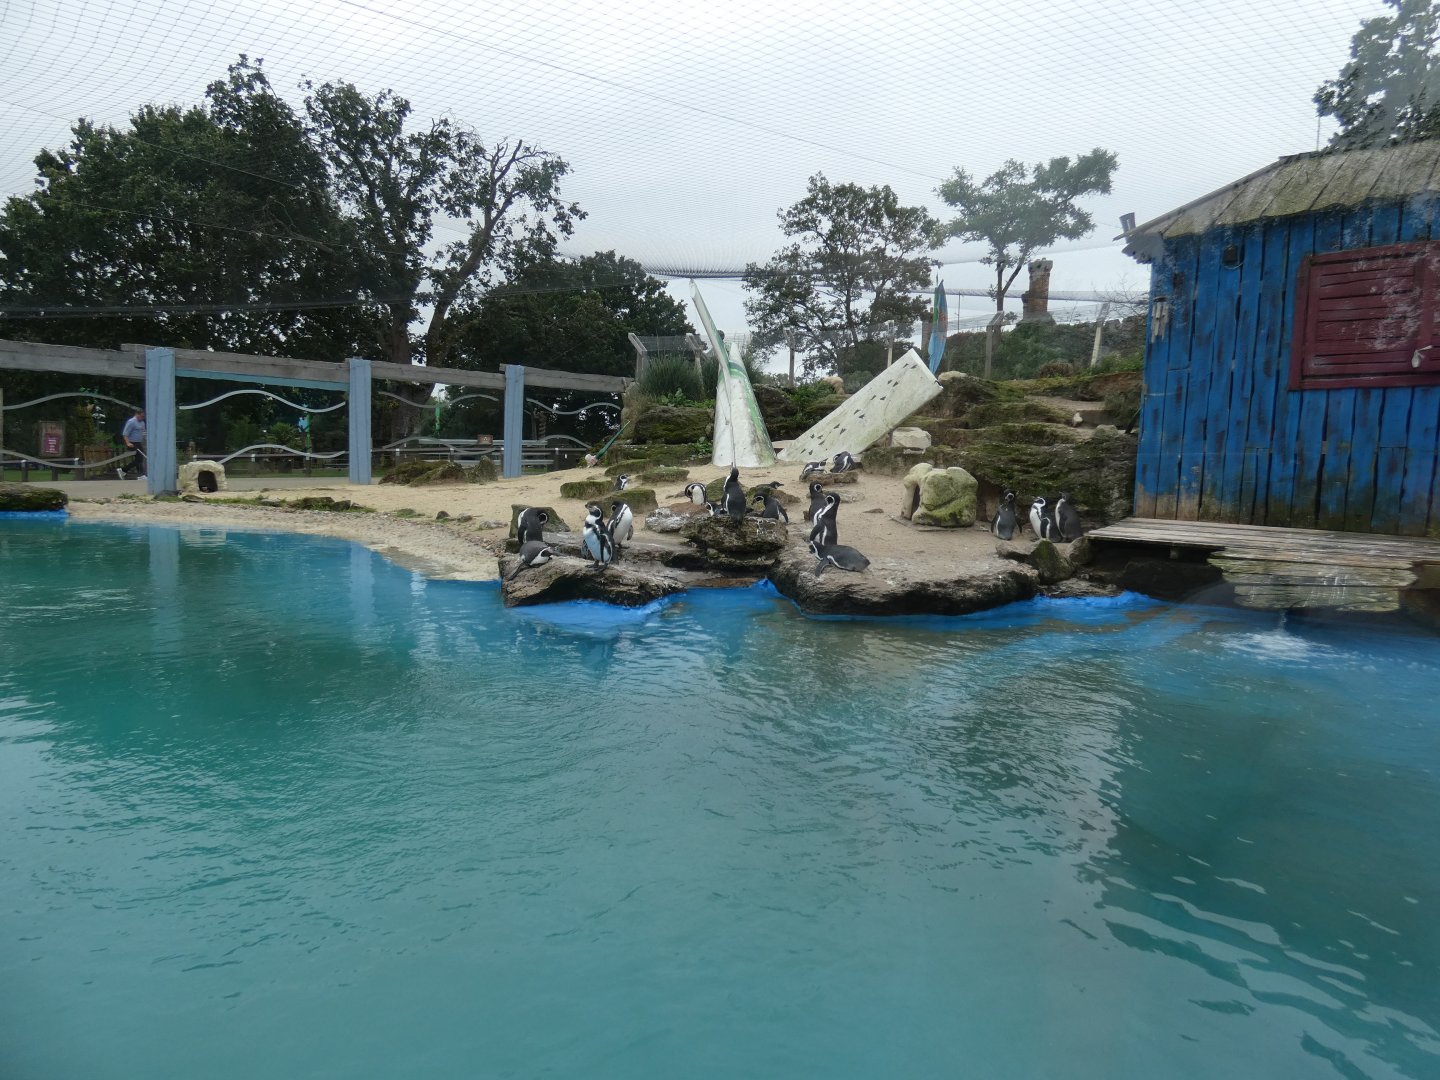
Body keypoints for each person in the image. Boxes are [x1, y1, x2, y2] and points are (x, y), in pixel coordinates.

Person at [120, 408, 146, 480]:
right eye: (141, 416)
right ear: (137, 414)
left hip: (138, 442)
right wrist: (128, 443)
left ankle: (123, 470)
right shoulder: (131, 422)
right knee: (139, 458)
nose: (142, 418)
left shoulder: (142, 422)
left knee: (139, 459)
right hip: (132, 443)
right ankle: (140, 475)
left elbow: (143, 433)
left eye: (143, 417)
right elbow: (125, 434)